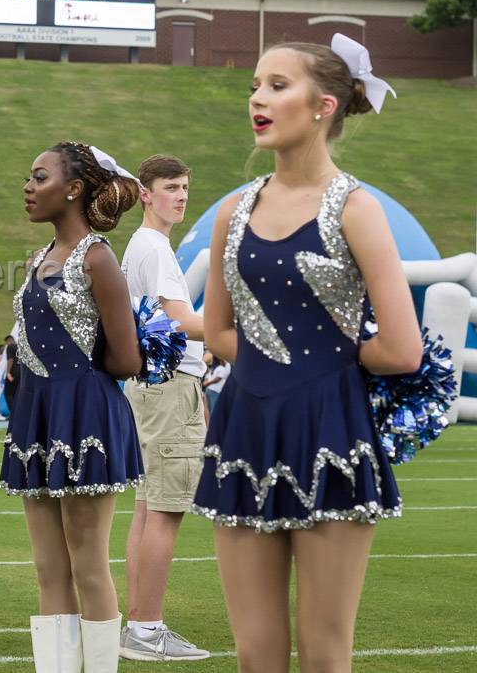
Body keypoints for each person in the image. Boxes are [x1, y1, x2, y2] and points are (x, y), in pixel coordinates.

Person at [195, 36, 419, 672]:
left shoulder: (356, 208)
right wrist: (285, 361)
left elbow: (401, 349)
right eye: (255, 87)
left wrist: (316, 367)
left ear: (324, 105)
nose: (258, 100)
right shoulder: (233, 212)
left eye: (276, 85)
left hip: (331, 435)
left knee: (325, 653)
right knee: (255, 653)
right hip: (244, 431)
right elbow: (217, 332)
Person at [0, 143, 145, 673]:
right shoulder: (39, 258)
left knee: (88, 563)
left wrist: (77, 379)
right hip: (37, 411)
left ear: (75, 188)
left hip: (84, 414)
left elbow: (127, 358)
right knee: (47, 565)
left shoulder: (98, 257)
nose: (28, 186)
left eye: (39, 177)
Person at [119, 153, 211, 662]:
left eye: (184, 187)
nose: (180, 195)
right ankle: (147, 629)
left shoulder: (149, 246)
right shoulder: (153, 246)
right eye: (171, 187)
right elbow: (178, 320)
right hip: (168, 386)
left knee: (148, 509)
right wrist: (242, 328)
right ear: (144, 193)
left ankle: (140, 625)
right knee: (165, 511)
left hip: (158, 386)